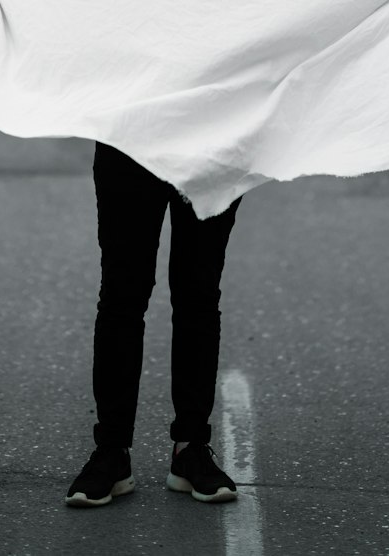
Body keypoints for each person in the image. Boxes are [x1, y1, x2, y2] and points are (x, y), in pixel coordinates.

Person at [65, 141, 242, 507]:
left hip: (213, 136)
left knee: (199, 293)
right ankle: (111, 451)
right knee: (122, 294)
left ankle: (190, 448)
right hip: (131, 135)